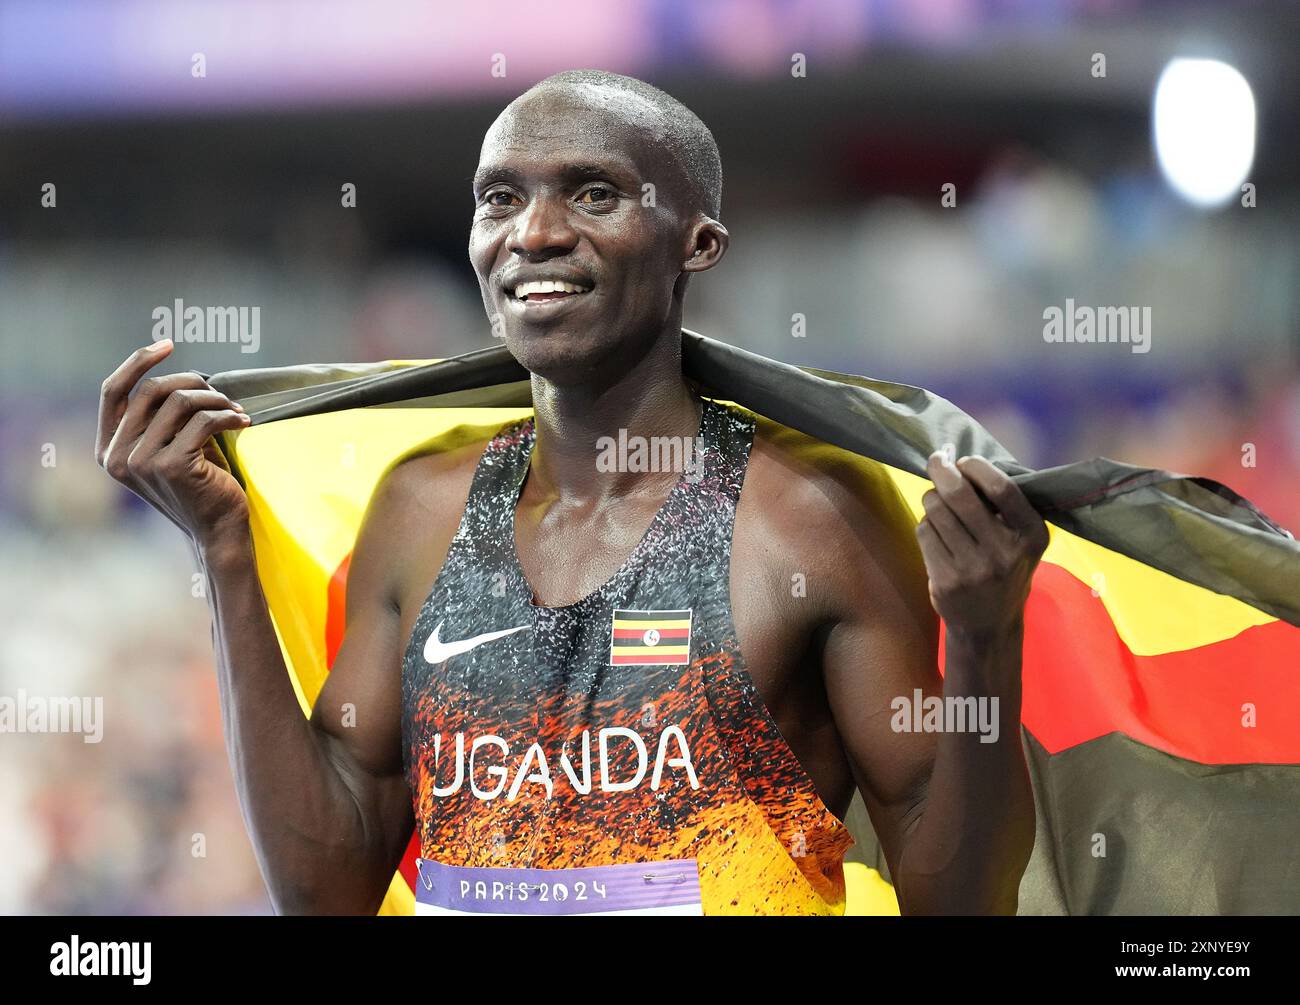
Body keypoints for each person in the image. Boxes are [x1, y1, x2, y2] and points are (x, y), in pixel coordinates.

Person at [96, 70, 1048, 915]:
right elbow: (330, 888)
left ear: (698, 243)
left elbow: (960, 898)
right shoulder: (421, 509)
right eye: (499, 198)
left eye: (593, 193)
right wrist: (223, 554)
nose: (535, 233)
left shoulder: (808, 518)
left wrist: (982, 634)